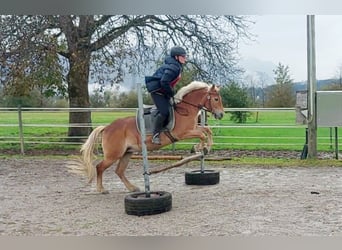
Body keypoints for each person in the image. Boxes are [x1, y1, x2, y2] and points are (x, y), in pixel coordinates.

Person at [145, 46, 187, 144]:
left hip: (163, 90)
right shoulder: (173, 67)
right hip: (157, 91)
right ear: (176, 57)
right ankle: (155, 135)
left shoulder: (176, 65)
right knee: (165, 112)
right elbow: (164, 81)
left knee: (173, 108)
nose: (185, 58)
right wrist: (171, 93)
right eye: (182, 56)